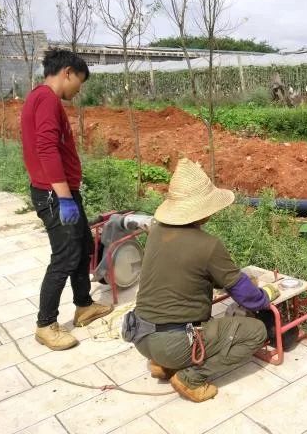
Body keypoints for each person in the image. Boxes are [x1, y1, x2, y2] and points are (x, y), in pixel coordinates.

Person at [131, 158, 280, 403]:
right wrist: (267, 294)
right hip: (174, 343)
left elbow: (185, 273)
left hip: (140, 336)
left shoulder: (156, 232)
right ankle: (192, 377)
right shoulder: (208, 245)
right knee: (256, 332)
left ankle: (162, 365)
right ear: (203, 210)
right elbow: (248, 298)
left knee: (186, 324)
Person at [21, 49, 113, 351]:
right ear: (68, 72)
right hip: (54, 194)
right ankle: (46, 324)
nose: (79, 89)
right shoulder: (46, 99)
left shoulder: (39, 98)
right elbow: (47, 149)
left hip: (61, 191)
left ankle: (84, 305)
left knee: (84, 245)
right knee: (65, 256)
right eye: (80, 82)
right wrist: (64, 198)